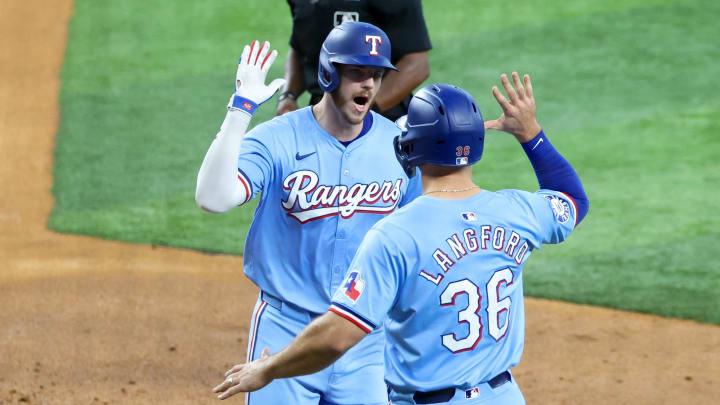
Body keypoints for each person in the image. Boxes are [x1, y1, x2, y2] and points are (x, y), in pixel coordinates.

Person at [212, 73, 590, 404]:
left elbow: (337, 337)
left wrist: (268, 369)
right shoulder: (516, 212)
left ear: (409, 149)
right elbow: (572, 200)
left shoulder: (396, 235)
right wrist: (531, 135)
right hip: (504, 397)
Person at [195, 21, 422, 405]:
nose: (368, 84)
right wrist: (240, 110)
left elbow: (417, 236)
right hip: (285, 332)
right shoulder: (277, 137)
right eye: (357, 73)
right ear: (329, 73)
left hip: (364, 337)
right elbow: (213, 198)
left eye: (376, 75)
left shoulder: (399, 148)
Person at [277, 0, 432, 121]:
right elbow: (300, 44)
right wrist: (288, 95)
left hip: (381, 114)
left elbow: (417, 65)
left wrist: (363, 109)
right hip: (323, 114)